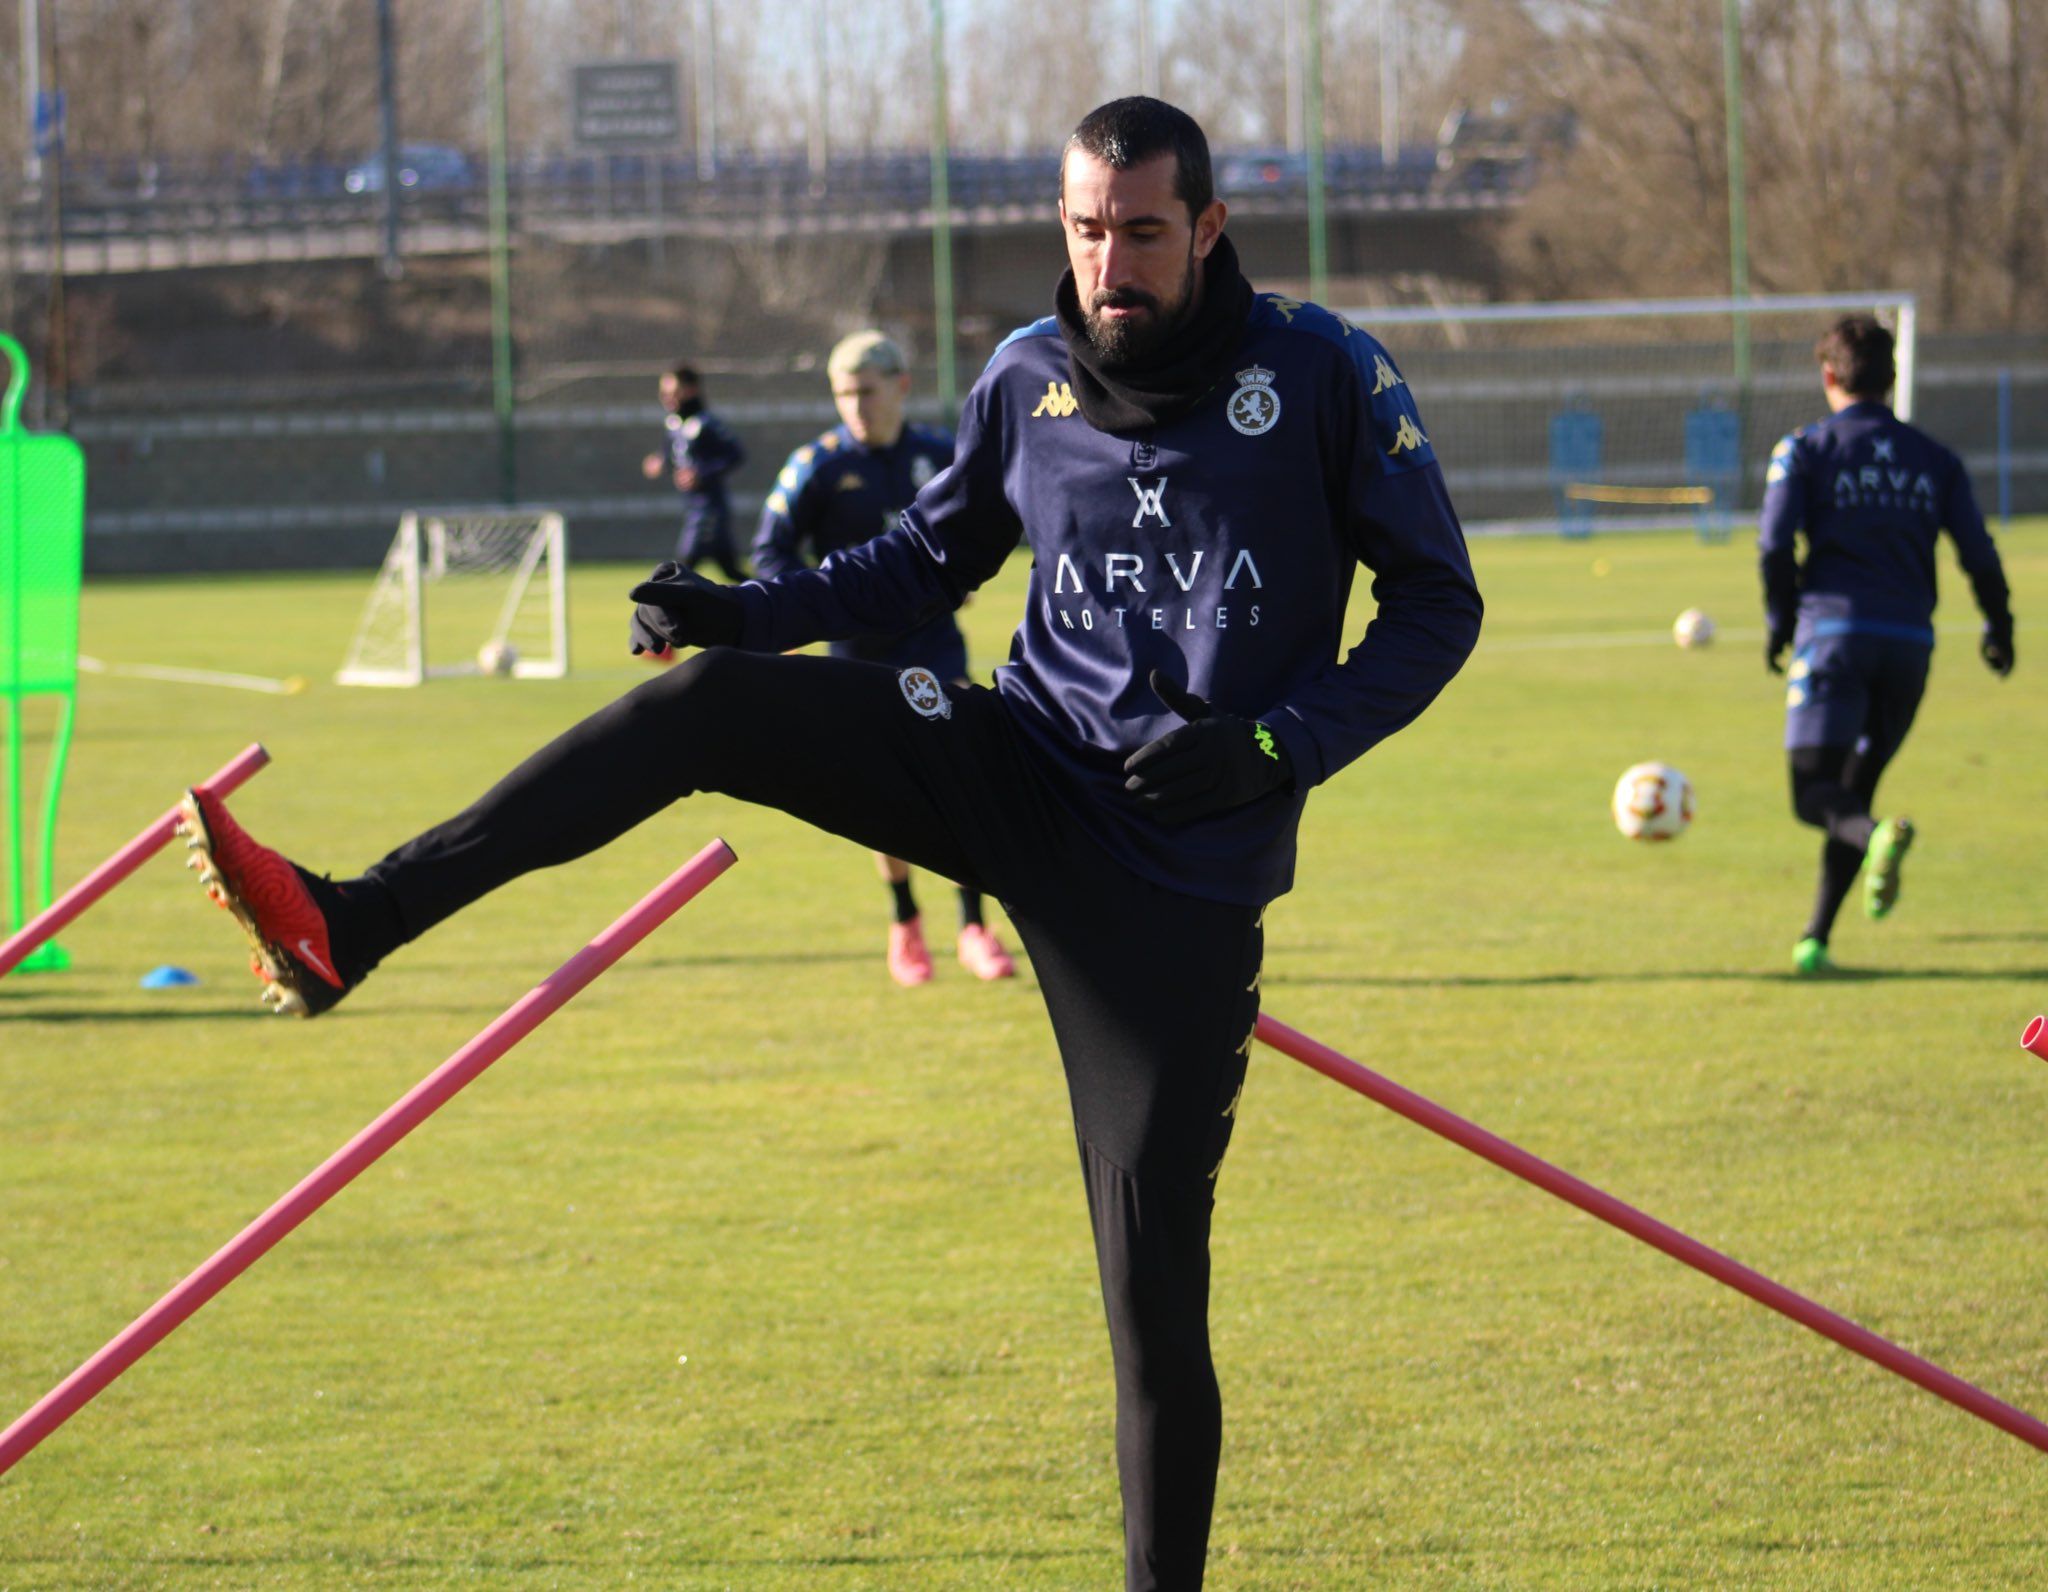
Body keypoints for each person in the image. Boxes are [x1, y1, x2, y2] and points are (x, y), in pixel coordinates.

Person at [179, 97, 1481, 1592]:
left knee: (1152, 1313)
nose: (1107, 262)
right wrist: (750, 609)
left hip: (1179, 879)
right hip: (1013, 766)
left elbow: (1438, 606)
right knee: (717, 704)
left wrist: (1271, 744)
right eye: (1082, 228)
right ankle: (354, 920)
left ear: (1207, 228)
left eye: (1137, 231)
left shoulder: (1320, 374)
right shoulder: (1026, 374)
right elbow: (928, 556)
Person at [754, 328, 1016, 985]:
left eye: (866, 391)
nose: (854, 406)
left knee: (964, 783)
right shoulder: (816, 464)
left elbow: (989, 524)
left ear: (901, 385)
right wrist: (815, 605)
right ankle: (905, 924)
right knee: (885, 797)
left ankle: (974, 927)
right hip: (857, 658)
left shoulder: (940, 453)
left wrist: (958, 579)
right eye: (843, 394)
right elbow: (771, 552)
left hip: (934, 647)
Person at [1759, 313, 2014, 975]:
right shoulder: (1936, 458)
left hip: (1836, 639)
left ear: (1827, 375)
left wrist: (1779, 621)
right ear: (1893, 377)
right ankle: (1816, 939)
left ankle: (1875, 841)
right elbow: (1978, 554)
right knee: (1854, 791)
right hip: (1910, 647)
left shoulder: (1806, 449)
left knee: (1815, 795)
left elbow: (1772, 543)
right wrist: (1999, 624)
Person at [641, 363, 747, 581]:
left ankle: (671, 614)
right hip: (693, 508)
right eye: (664, 393)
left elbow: (736, 454)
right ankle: (773, 601)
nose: (667, 398)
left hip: (709, 511)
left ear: (691, 390)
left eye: (673, 392)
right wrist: (660, 460)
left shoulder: (708, 424)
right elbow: (672, 452)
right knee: (732, 572)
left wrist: (702, 474)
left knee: (679, 572)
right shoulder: (674, 423)